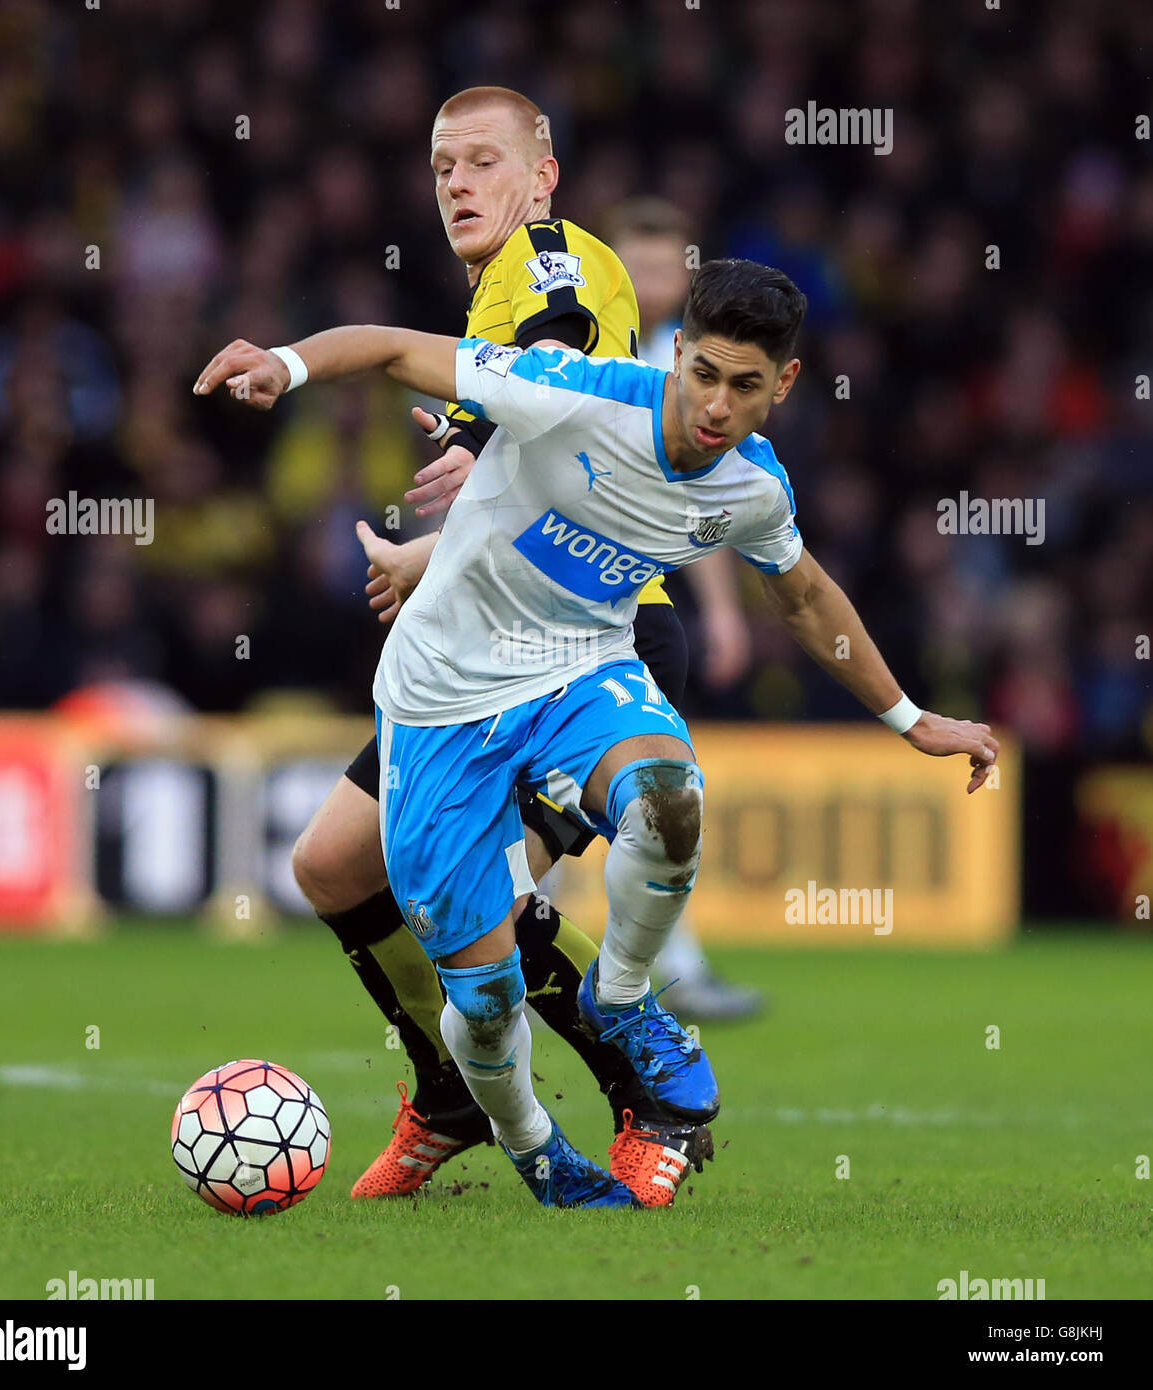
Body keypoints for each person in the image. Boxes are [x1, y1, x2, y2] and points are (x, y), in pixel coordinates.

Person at [193, 256, 1000, 1207]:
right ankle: (535, 1147)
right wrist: (285, 364)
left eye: (745, 387)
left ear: (781, 387)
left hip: (583, 671)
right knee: (484, 1004)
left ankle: (618, 997)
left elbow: (805, 597)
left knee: (668, 800)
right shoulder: (568, 392)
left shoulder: (752, 489)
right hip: (441, 699)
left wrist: (913, 720)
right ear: (677, 356)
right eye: (702, 373)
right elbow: (400, 349)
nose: (716, 406)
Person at [252, 86, 715, 1206]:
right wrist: (441, 542)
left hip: (595, 637)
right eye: (442, 164)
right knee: (331, 865)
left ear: (543, 177)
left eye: (483, 161)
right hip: (484, 643)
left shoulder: (557, 261)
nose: (457, 182)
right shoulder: (488, 299)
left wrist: (472, 445)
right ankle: (447, 1089)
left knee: (494, 902)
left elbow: (552, 362)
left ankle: (658, 1100)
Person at [606, 197, 764, 1022]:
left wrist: (726, 613)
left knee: (652, 784)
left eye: (672, 268)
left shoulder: (701, 373)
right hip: (560, 600)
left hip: (638, 606)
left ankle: (670, 967)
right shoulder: (586, 350)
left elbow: (702, 512)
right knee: (628, 788)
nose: (659, 281)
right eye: (645, 266)